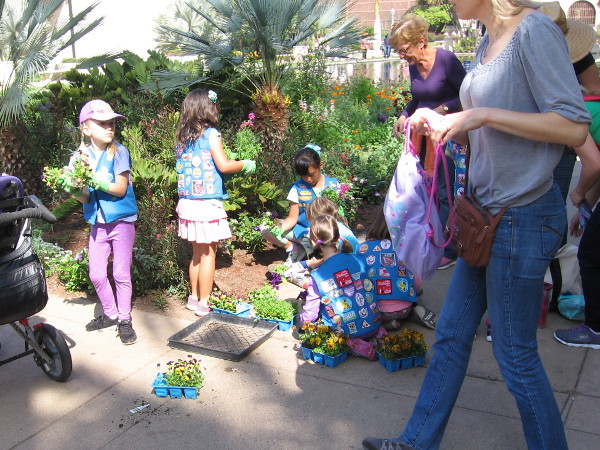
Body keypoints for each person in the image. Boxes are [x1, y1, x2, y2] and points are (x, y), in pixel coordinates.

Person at [362, 1, 591, 449]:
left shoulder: (534, 31)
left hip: (522, 215)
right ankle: (416, 442)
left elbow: (573, 126)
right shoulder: (488, 40)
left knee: (515, 354)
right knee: (450, 335)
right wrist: (444, 123)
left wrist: (481, 115)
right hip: (484, 216)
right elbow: (482, 130)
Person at [58, 99, 139, 345]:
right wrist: (71, 189)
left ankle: (125, 319)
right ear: (85, 128)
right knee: (96, 274)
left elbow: (120, 188)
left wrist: (97, 180)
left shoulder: (119, 152)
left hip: (122, 221)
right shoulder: (78, 158)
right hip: (98, 224)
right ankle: (111, 314)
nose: (109, 128)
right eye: (102, 123)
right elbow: (84, 195)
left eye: (112, 123)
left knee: (121, 273)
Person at [389, 13, 466, 270]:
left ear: (421, 41)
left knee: (446, 192)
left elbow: (467, 94)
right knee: (427, 189)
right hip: (423, 138)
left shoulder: (446, 60)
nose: (402, 56)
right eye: (399, 51)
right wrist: (404, 114)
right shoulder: (413, 65)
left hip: (449, 137)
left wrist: (441, 110)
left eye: (404, 50)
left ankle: (451, 248)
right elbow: (417, 97)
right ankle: (433, 239)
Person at [175, 89, 256, 316]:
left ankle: (193, 298)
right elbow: (224, 165)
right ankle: (204, 302)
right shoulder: (212, 134)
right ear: (207, 108)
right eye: (214, 105)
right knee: (209, 253)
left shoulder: (182, 137)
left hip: (188, 203)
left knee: (196, 254)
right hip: (207, 204)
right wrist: (245, 164)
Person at [298, 214, 385, 360]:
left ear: (314, 242)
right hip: (374, 321)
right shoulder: (357, 259)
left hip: (345, 330)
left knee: (320, 325)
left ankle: (354, 344)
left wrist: (301, 322)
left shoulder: (317, 275)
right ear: (337, 236)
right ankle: (379, 335)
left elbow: (310, 315)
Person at [554, 92, 600, 348]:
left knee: (590, 256)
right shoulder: (589, 107)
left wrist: (579, 192)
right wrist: (585, 213)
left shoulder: (572, 114)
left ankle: (595, 329)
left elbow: (594, 166)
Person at [356, 205, 437, 331]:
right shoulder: (405, 248)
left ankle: (385, 324)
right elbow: (416, 281)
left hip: (373, 310)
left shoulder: (362, 248)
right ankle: (406, 311)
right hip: (403, 308)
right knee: (414, 288)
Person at [261, 144, 338, 265]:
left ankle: (315, 261)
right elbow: (292, 218)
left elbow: (339, 215)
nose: (307, 179)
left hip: (326, 233)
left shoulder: (333, 185)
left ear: (320, 166)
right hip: (303, 232)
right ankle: (295, 249)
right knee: (266, 229)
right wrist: (276, 230)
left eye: (311, 174)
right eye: (303, 175)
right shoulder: (297, 188)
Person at [283, 196, 360, 287]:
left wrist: (307, 258)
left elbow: (320, 261)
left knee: (311, 277)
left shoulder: (332, 235)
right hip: (353, 270)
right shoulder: (335, 228)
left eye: (312, 222)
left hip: (340, 276)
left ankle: (307, 284)